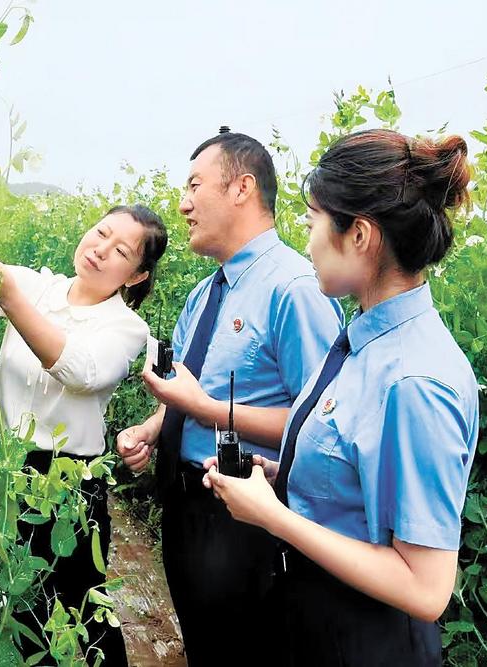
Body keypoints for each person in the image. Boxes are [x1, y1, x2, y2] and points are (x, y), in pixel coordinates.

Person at [203, 128, 479, 665]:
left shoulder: (415, 381)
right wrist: (281, 477)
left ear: (359, 235)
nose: (306, 243)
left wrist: (274, 516)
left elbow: (425, 588)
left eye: (312, 223)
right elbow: (354, 478)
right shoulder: (364, 340)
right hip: (312, 611)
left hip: (365, 639)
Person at [115, 130, 343, 665]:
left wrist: (207, 410)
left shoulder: (295, 289)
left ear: (242, 188)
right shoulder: (206, 292)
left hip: (244, 518)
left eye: (195, 186)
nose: (183, 204)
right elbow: (188, 389)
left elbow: (319, 427)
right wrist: (152, 428)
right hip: (184, 504)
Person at [0, 204, 168, 666]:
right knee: (5, 591)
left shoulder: (126, 327)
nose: (101, 249)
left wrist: (10, 299)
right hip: (2, 460)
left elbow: (80, 371)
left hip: (66, 480)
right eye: (101, 232)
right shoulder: (38, 286)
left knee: (75, 607)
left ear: (135, 276)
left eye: (121, 251)